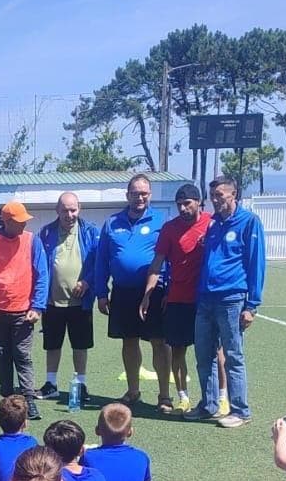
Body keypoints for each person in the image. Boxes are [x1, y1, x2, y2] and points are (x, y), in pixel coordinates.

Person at [139, 183, 228, 415]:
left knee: (215, 350)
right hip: (178, 299)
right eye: (179, 204)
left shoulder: (213, 224)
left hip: (205, 299)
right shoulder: (169, 229)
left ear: (199, 202)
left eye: (187, 203)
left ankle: (222, 398)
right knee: (177, 350)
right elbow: (156, 264)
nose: (183, 208)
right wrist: (148, 294)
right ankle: (183, 398)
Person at [188, 176, 266, 429]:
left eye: (221, 194)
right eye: (214, 195)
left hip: (231, 299)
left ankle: (240, 410)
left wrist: (251, 305)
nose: (217, 199)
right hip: (206, 298)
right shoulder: (212, 224)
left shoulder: (249, 222)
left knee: (233, 356)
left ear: (235, 194)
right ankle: (208, 405)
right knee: (203, 355)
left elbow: (256, 264)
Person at [95, 174, 172, 409]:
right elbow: (102, 259)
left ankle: (164, 396)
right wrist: (101, 292)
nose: (139, 197)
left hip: (153, 292)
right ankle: (133, 390)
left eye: (144, 193)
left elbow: (170, 258)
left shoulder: (162, 222)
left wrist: (168, 288)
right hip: (122, 292)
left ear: (150, 195)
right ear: (127, 195)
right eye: (135, 193)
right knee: (129, 342)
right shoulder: (112, 222)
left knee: (159, 342)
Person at [0, 201, 47, 419]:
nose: (23, 224)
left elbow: (42, 275)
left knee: (23, 355)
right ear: (6, 221)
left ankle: (28, 400)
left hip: (24, 312)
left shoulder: (33, 241)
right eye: (18, 221)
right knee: (3, 356)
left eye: (25, 220)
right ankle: (7, 400)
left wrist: (37, 306)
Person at [36, 192, 99, 406]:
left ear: (79, 209)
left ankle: (80, 385)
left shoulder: (90, 231)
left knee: (80, 346)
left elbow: (99, 263)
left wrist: (87, 282)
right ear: (57, 211)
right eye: (65, 210)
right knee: (52, 345)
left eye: (73, 210)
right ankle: (51, 384)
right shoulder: (45, 233)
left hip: (81, 303)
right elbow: (38, 266)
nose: (69, 214)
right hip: (52, 302)